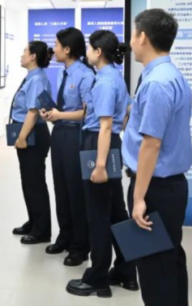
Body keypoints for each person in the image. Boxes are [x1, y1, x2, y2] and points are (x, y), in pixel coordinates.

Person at [123, 9, 192, 306]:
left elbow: (151, 145)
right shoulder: (169, 75)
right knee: (168, 262)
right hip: (167, 185)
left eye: (132, 34)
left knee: (154, 270)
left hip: (155, 187)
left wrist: (139, 198)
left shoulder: (157, 83)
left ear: (143, 37)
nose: (130, 41)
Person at [67, 30, 138, 298]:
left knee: (98, 214)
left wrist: (99, 165)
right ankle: (127, 271)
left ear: (98, 52)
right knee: (117, 211)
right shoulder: (115, 77)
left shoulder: (105, 81)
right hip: (110, 144)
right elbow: (127, 112)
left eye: (89, 48)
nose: (86, 52)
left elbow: (105, 126)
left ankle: (98, 277)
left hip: (99, 144)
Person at [40, 27, 94, 266]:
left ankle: (80, 246)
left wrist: (60, 115)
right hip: (59, 133)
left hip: (76, 136)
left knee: (75, 191)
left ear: (68, 49)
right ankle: (65, 236)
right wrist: (52, 114)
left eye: (57, 45)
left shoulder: (85, 75)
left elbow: (88, 112)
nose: (54, 49)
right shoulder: (63, 73)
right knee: (60, 188)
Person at [10, 41, 53, 245]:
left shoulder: (36, 79)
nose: (22, 55)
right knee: (28, 181)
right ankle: (34, 222)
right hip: (29, 132)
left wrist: (21, 138)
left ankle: (41, 230)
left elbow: (33, 112)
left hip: (32, 134)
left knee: (35, 183)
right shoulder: (33, 77)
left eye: (24, 52)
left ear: (33, 56)